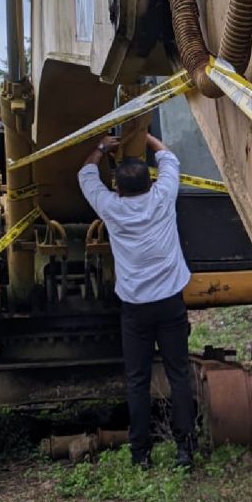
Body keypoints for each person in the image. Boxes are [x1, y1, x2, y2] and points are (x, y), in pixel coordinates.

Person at [78, 132, 198, 469]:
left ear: (117, 189)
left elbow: (85, 175)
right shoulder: (163, 197)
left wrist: (101, 147)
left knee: (137, 380)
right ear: (151, 183)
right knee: (178, 375)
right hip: (171, 303)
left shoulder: (111, 208)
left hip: (135, 309)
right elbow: (169, 159)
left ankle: (140, 454)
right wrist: (145, 136)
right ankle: (185, 450)